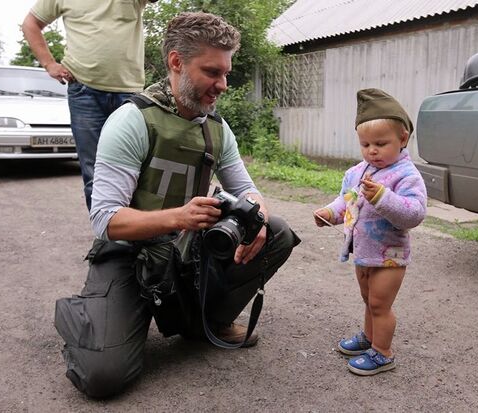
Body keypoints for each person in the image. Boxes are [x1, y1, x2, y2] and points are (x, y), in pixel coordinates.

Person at [53, 12, 300, 398]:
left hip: (187, 254)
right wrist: (179, 217)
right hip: (131, 255)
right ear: (176, 62)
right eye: (211, 72)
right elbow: (105, 220)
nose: (222, 85)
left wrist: (259, 217)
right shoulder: (132, 121)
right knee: (103, 377)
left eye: (226, 73)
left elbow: (248, 189)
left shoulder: (216, 128)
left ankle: (205, 324)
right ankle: (90, 314)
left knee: (279, 232)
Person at [313, 88, 427, 376]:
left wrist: (382, 198)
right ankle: (369, 336)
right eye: (365, 144)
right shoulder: (356, 172)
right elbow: (346, 201)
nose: (372, 150)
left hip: (390, 255)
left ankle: (383, 352)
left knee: (380, 304)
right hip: (363, 252)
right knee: (368, 301)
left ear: (403, 139)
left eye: (380, 143)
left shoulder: (407, 175)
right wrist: (329, 212)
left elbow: (414, 213)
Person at [21, 0, 158, 211]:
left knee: (140, 169)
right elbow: (30, 23)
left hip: (129, 93)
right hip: (84, 91)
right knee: (95, 172)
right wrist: (49, 63)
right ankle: (108, 239)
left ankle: (141, 233)